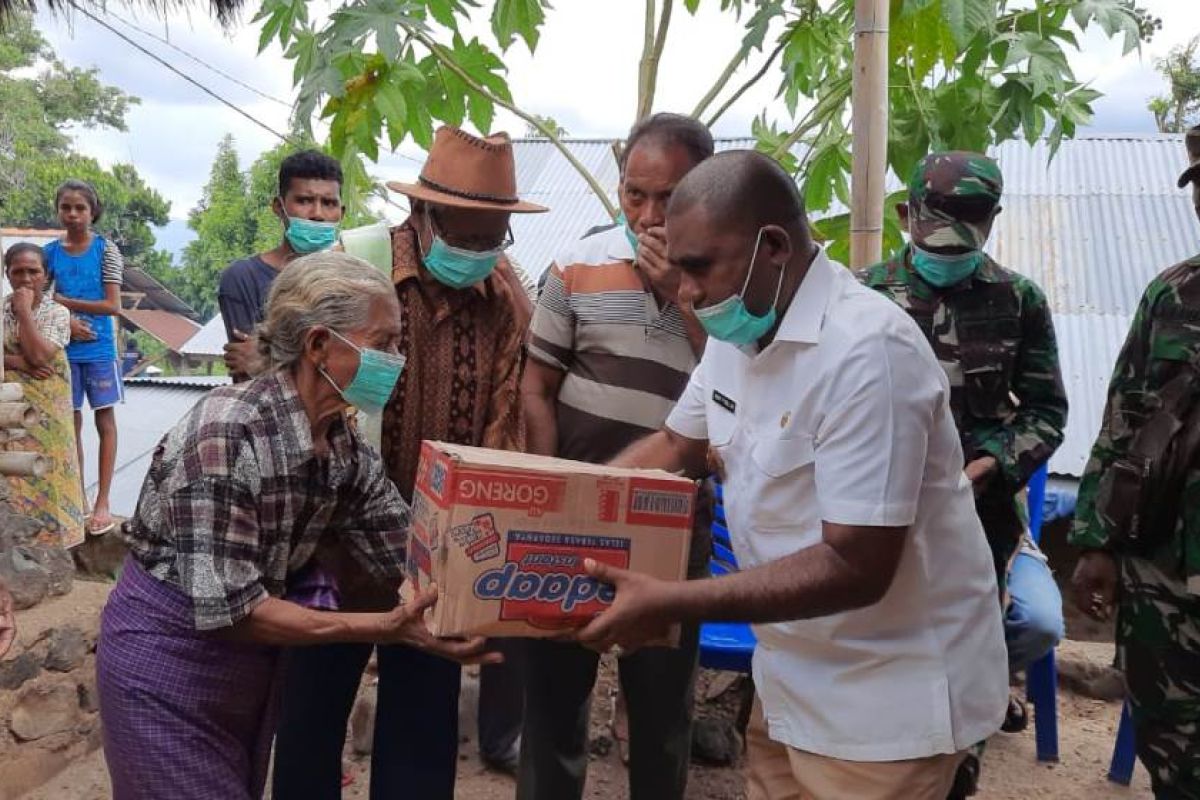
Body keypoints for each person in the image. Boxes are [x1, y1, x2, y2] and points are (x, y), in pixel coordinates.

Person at [572, 151, 1008, 800]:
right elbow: (673, 443)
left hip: (883, 708)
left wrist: (670, 601)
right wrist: (561, 523)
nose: (685, 293)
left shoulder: (868, 354)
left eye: (698, 267)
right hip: (790, 683)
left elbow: (856, 563)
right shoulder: (738, 330)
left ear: (772, 246)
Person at [96, 252, 497, 800]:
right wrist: (386, 627)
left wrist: (511, 601)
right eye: (383, 343)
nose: (398, 360)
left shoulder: (340, 445)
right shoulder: (226, 434)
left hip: (243, 671)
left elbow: (404, 550)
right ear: (317, 346)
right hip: (165, 662)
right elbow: (233, 611)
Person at [272, 126, 546, 800]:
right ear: (422, 215)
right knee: (308, 729)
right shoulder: (351, 266)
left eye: (494, 236)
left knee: (423, 742)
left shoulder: (503, 302)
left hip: (437, 562)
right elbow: (286, 389)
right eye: (468, 231)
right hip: (332, 554)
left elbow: (504, 430)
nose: (480, 249)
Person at [518, 112, 712, 800]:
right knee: (552, 707)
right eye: (636, 194)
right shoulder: (574, 271)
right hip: (570, 522)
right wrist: (554, 491)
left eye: (671, 196)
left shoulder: (734, 295)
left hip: (671, 528)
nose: (650, 214)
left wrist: (683, 296)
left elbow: (738, 388)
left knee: (661, 713)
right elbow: (536, 389)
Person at [857, 152, 1067, 785]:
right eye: (935, 228)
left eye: (967, 228)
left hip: (984, 515)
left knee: (1036, 621)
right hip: (880, 511)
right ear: (905, 217)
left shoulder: (1019, 300)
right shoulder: (864, 295)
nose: (948, 247)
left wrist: (989, 465)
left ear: (992, 222)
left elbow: (1046, 413)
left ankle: (969, 716)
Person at [1070, 125, 1200, 800]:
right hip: (1163, 577)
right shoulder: (1171, 295)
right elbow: (1122, 421)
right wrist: (1096, 542)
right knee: (1172, 751)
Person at [218, 149, 345, 382]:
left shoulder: (351, 283)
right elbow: (248, 375)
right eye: (304, 200)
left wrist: (268, 358)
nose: (317, 214)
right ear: (279, 207)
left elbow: (352, 369)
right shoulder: (243, 278)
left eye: (328, 203)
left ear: (341, 213)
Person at [44, 179, 123, 535]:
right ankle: (77, 499)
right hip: (62, 349)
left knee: (104, 421)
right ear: (58, 211)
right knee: (69, 424)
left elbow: (112, 306)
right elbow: (39, 301)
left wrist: (65, 306)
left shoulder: (106, 250)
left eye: (80, 208)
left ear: (93, 212)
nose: (73, 214)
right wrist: (67, 322)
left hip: (100, 350)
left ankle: (102, 502)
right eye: (66, 207)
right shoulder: (49, 253)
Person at [2, 244, 86, 548]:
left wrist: (24, 312)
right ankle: (19, 547)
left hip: (49, 410)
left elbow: (38, 356)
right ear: (7, 274)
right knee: (13, 472)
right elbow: (25, 359)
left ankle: (58, 549)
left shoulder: (57, 313)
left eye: (33, 271)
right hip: (11, 408)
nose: (25, 278)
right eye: (18, 271)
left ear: (45, 276)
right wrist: (13, 362)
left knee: (52, 471)